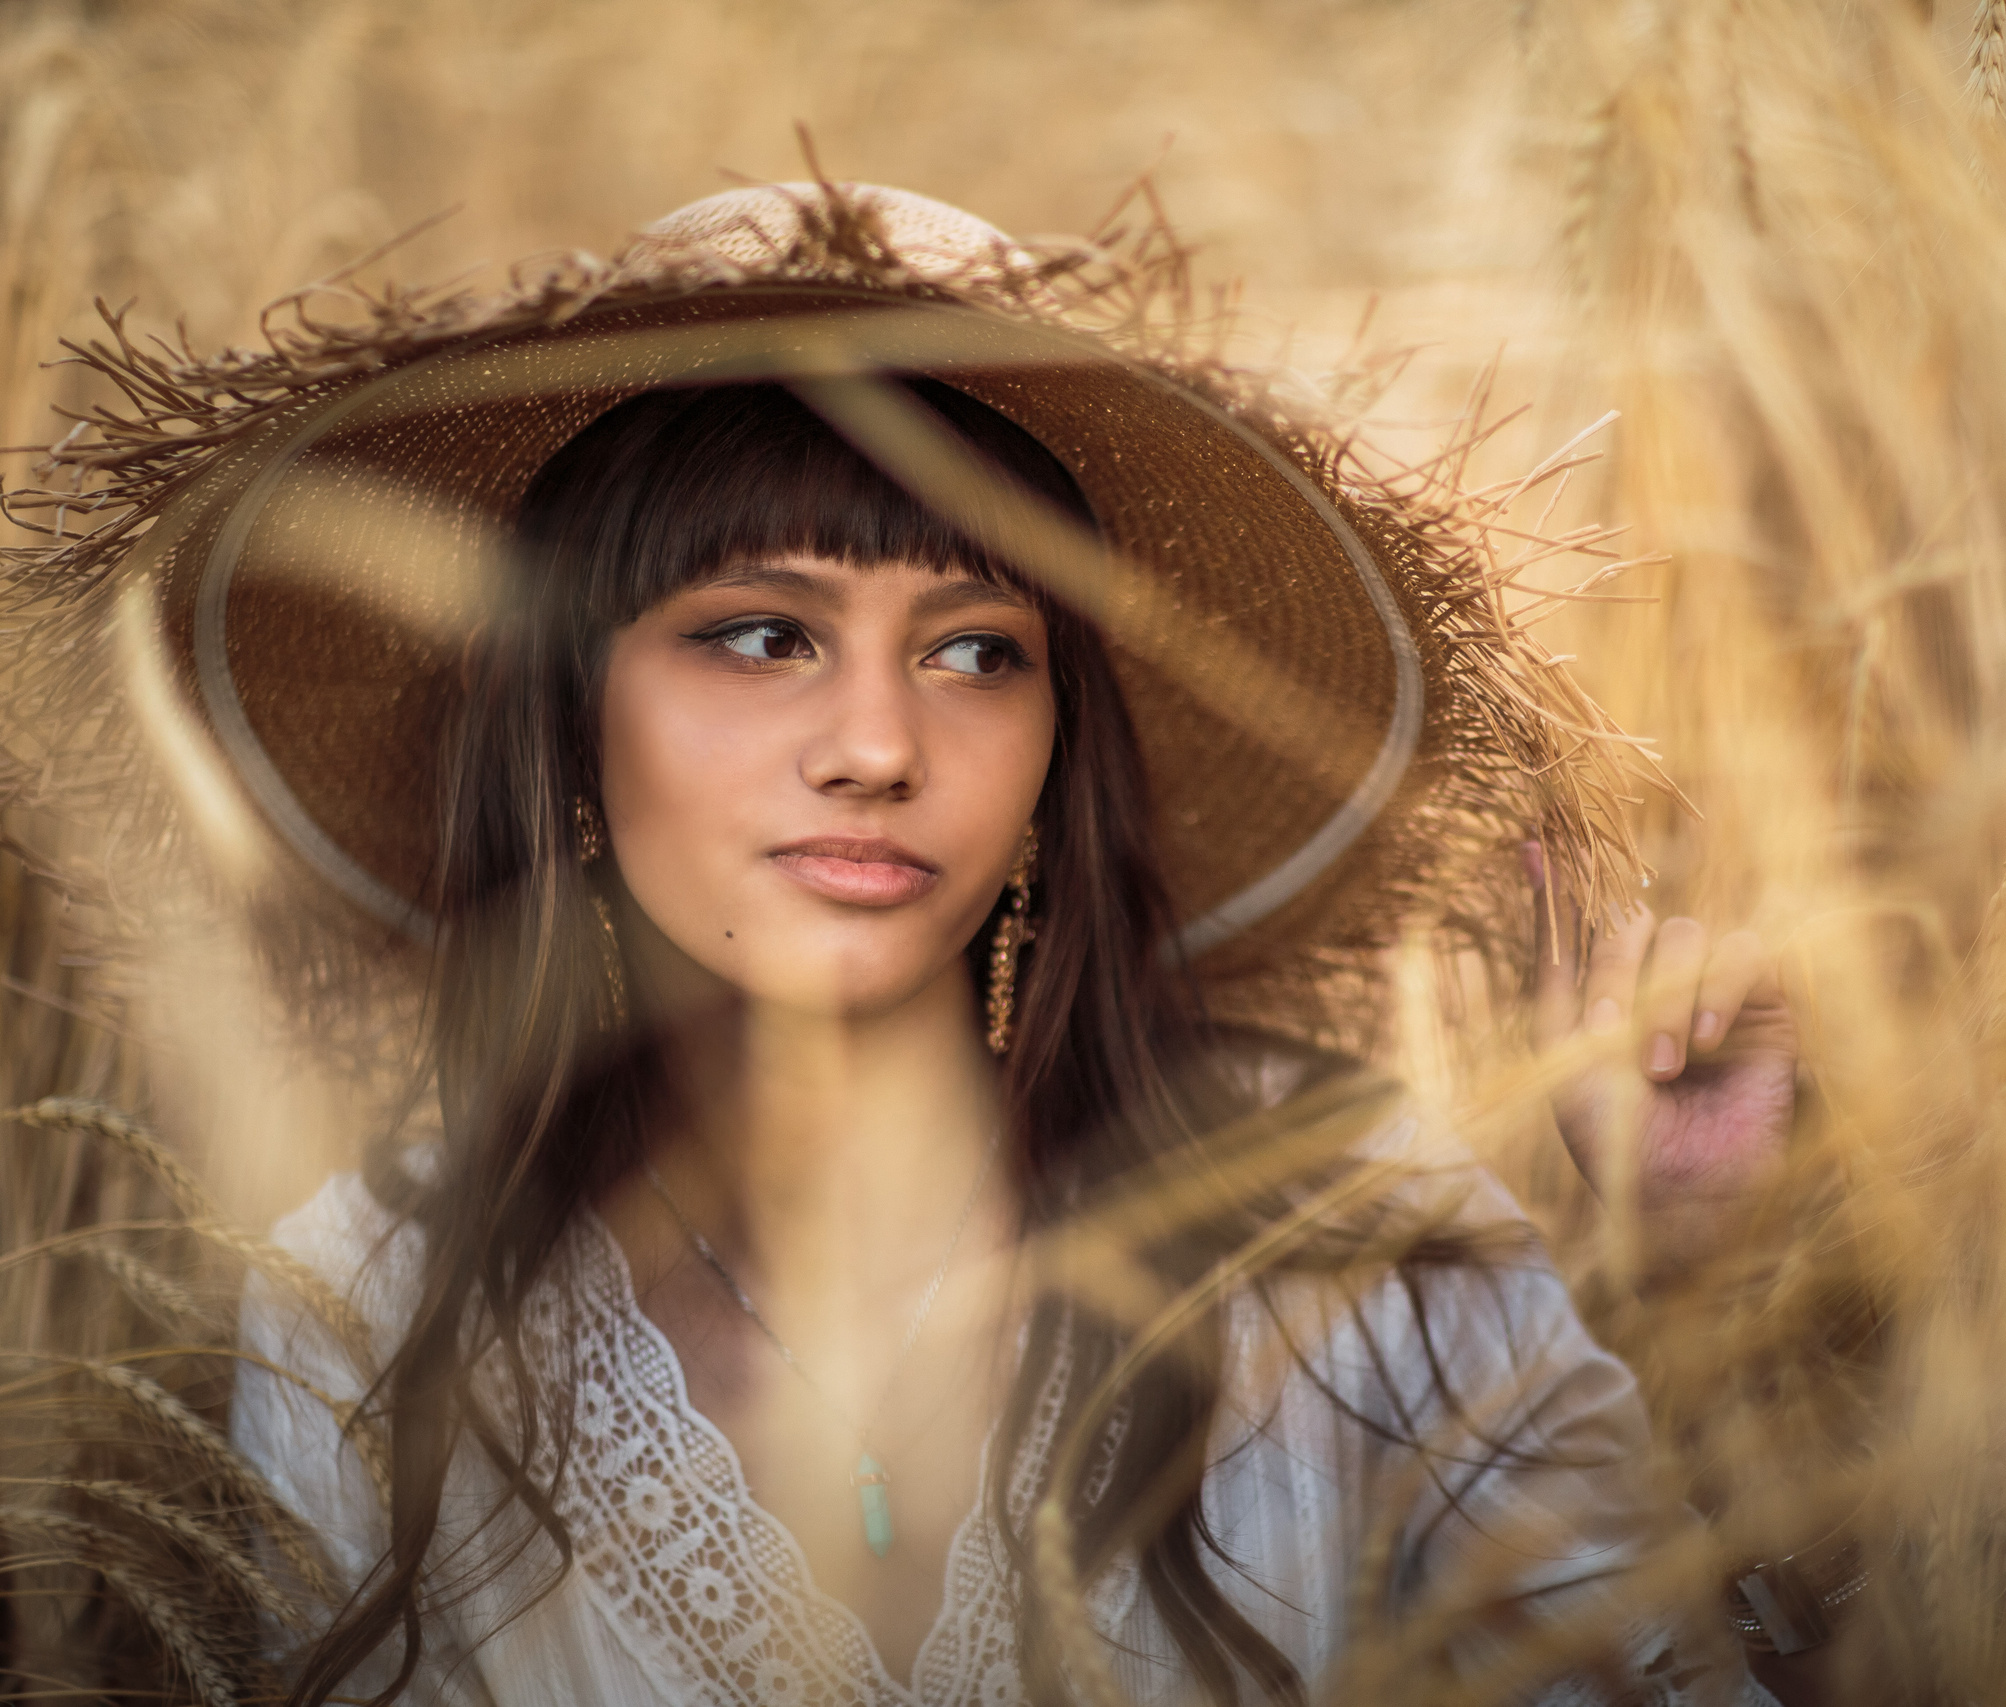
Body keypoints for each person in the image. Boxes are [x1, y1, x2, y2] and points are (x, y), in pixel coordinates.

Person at [66, 182, 1822, 1705]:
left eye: (977, 650)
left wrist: (1685, 1280)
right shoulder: (365, 1305)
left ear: (1063, 763)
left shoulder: (1346, 1235)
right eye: (760, 635)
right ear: (568, 731)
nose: (880, 747)